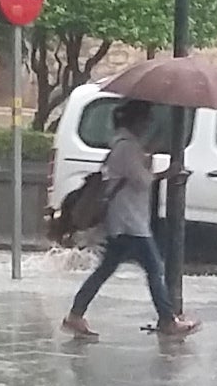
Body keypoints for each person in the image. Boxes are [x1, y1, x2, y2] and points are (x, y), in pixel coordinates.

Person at [62, 98, 196, 338]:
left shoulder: (125, 145)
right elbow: (142, 180)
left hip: (126, 221)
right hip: (129, 223)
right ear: (137, 121)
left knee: (105, 271)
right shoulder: (127, 148)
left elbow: (137, 175)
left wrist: (149, 159)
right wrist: (166, 172)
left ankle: (76, 314)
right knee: (155, 269)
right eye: (146, 121)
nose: (147, 126)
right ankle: (167, 320)